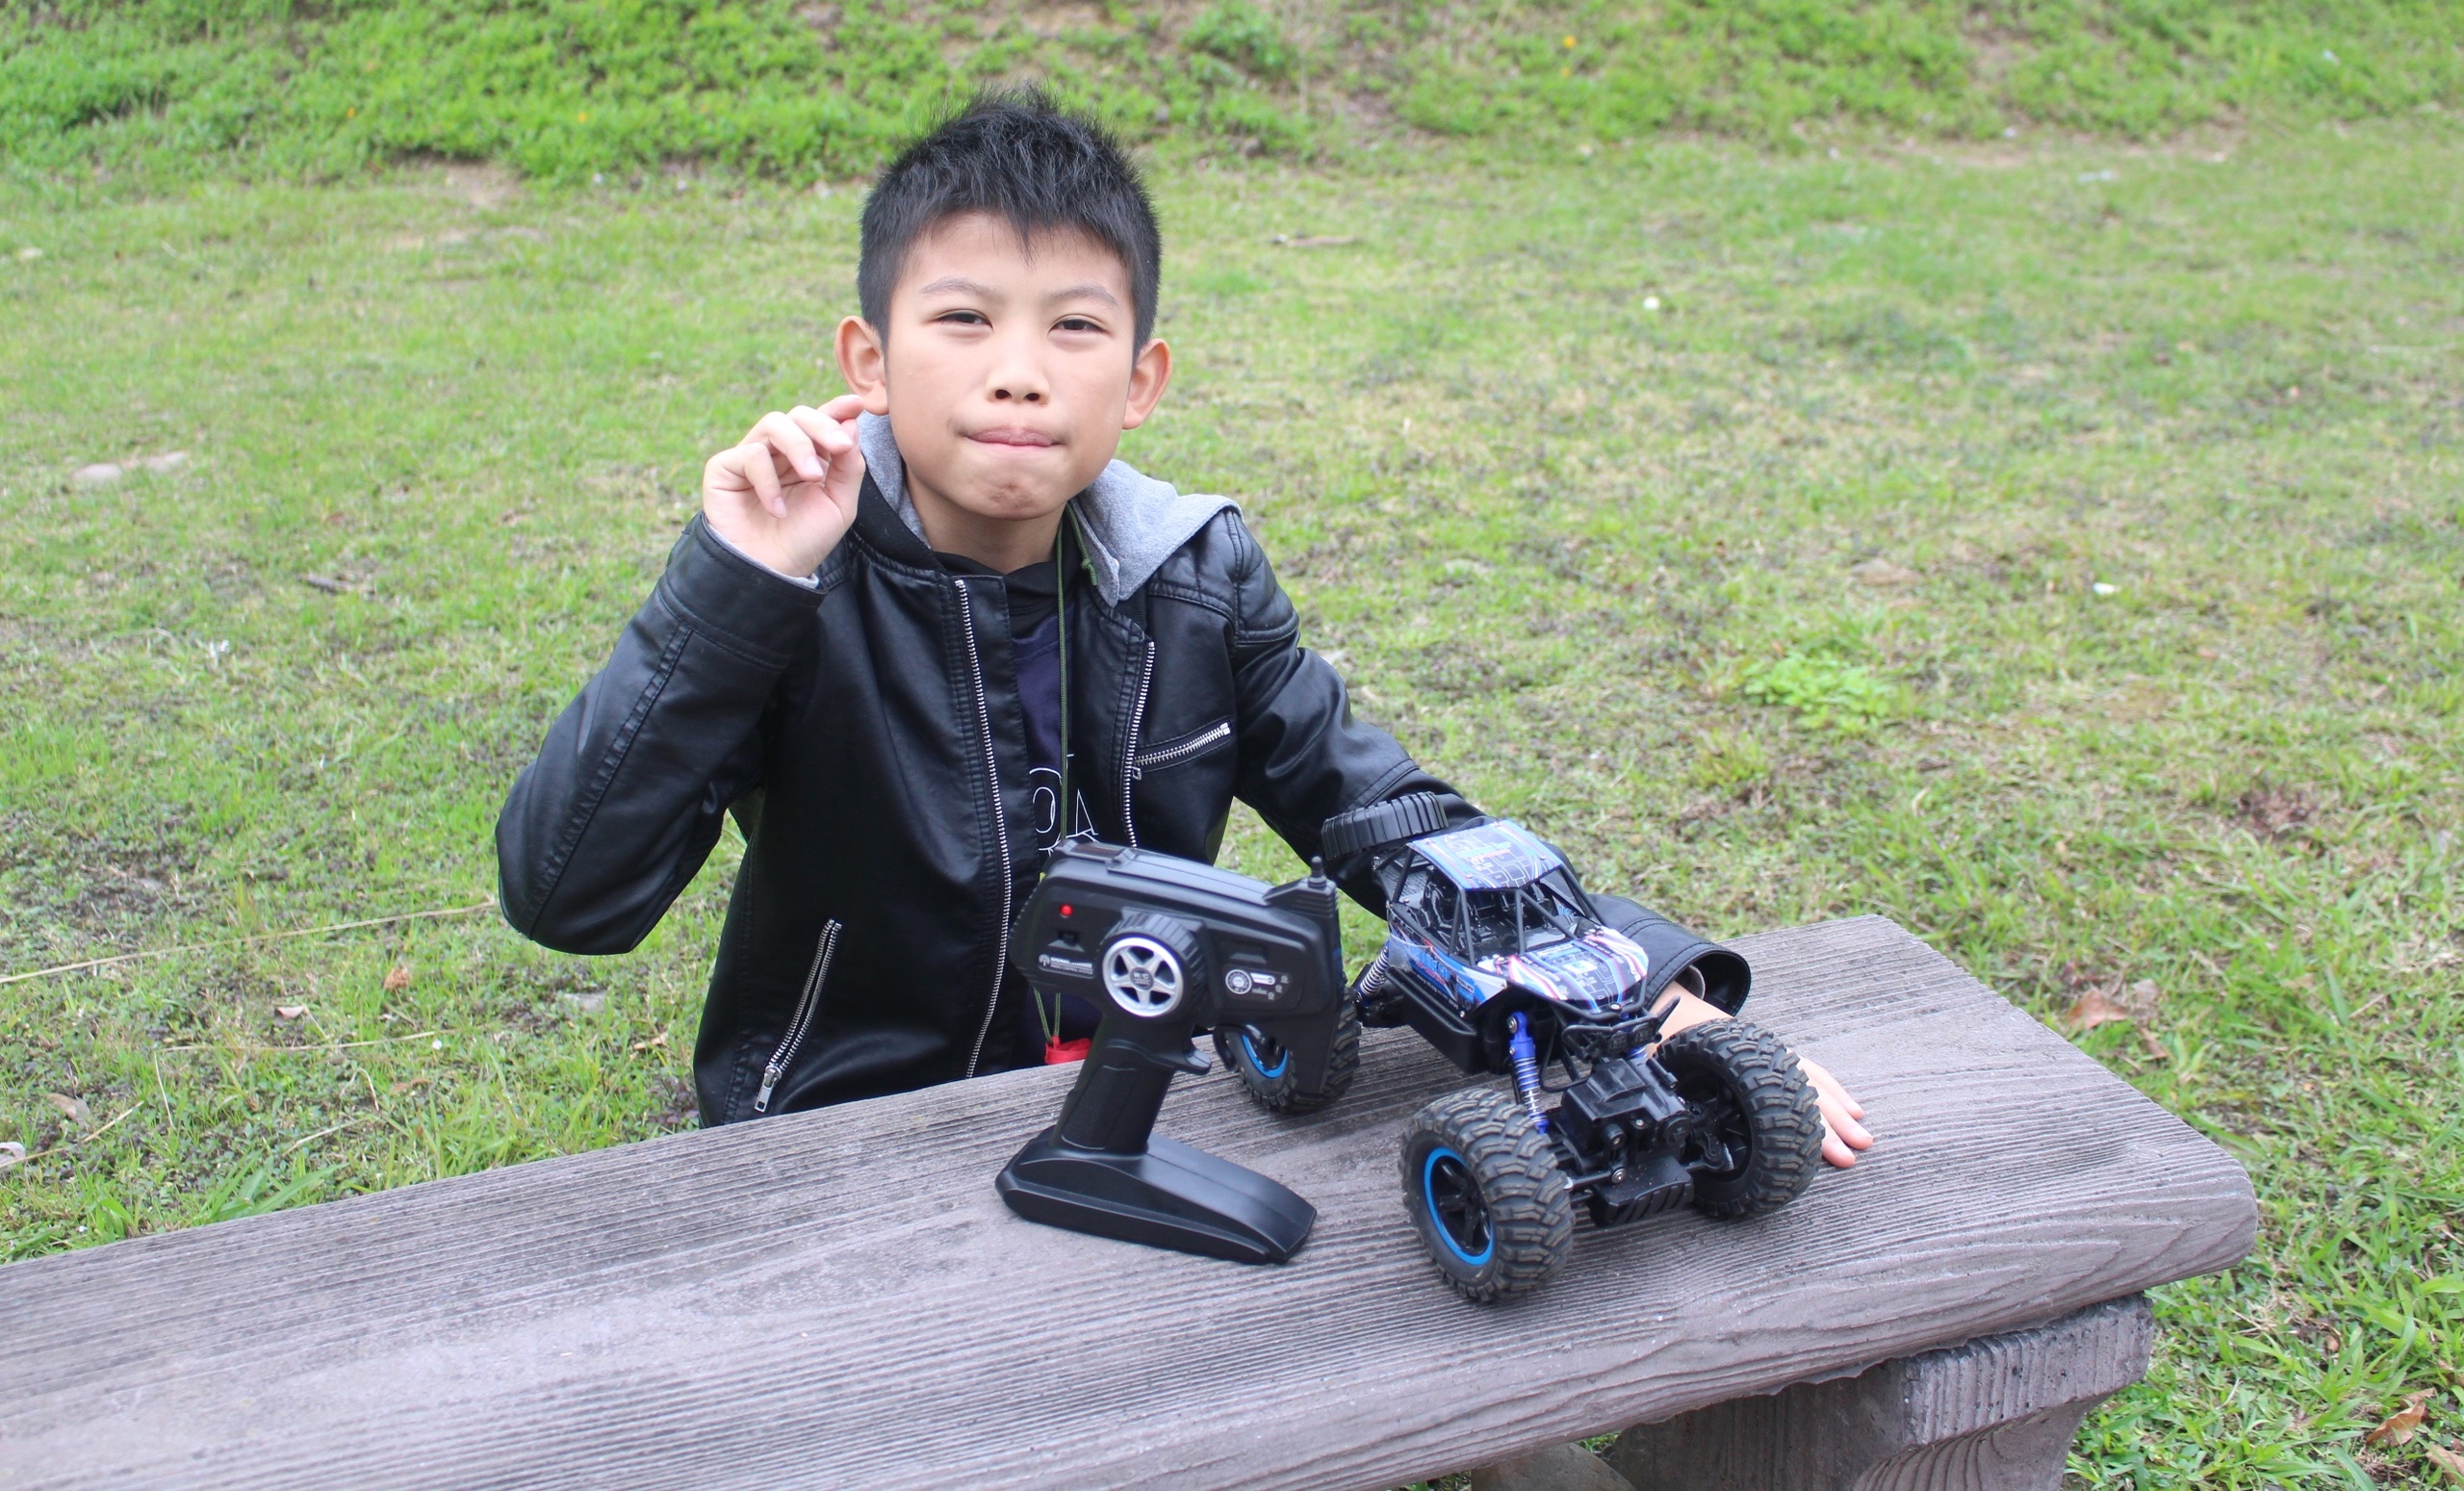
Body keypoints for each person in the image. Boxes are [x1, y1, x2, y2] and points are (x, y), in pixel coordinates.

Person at [493, 90, 1872, 1167]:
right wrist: (737, 582)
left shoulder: (1192, 576)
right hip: (845, 1127)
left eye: (1075, 328)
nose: (1021, 373)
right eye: (963, 318)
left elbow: (1381, 811)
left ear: (1141, 379)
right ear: (868, 360)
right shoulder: (797, 581)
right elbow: (567, 899)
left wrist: (1625, 999)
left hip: (1156, 1100)